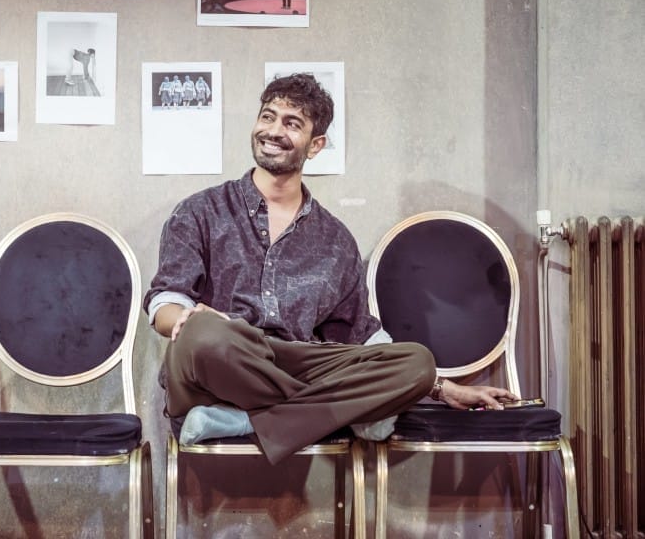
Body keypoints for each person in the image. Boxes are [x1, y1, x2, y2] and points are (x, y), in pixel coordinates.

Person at [144, 73, 517, 465]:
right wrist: (185, 320)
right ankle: (339, 411)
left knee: (417, 364)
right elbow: (166, 301)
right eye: (268, 117)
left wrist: (439, 386)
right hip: (216, 363)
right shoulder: (201, 211)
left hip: (295, 361)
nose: (274, 131)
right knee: (205, 333)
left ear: (316, 145)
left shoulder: (335, 239)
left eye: (292, 123)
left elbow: (361, 334)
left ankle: (248, 422)